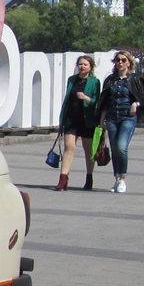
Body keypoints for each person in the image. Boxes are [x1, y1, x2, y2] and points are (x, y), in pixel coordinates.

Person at [97, 51, 144, 193]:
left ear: (129, 62)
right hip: (112, 117)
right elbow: (105, 102)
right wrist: (101, 121)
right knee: (115, 148)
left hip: (128, 117)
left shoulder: (136, 79)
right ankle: (117, 179)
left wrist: (137, 103)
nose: (120, 62)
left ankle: (122, 179)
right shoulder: (111, 80)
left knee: (121, 146)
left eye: (123, 60)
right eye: (117, 60)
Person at [54, 55, 99, 191]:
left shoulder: (94, 82)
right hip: (71, 119)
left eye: (85, 64)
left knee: (88, 150)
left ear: (90, 67)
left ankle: (89, 177)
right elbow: (67, 100)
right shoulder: (72, 80)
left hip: (87, 120)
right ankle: (63, 178)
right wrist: (62, 119)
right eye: (80, 64)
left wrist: (86, 98)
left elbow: (96, 102)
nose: (82, 66)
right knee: (69, 147)